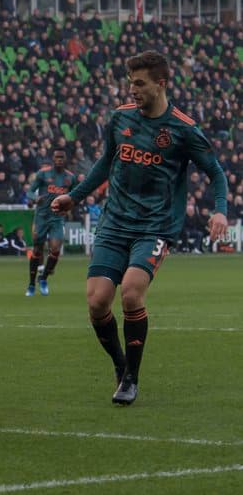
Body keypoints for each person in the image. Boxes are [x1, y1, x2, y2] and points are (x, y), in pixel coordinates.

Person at [52, 51, 228, 406]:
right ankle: (121, 366)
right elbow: (105, 163)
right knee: (97, 301)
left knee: (131, 292)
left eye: (139, 83)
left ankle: (132, 378)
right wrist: (75, 196)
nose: (132, 89)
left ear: (161, 84)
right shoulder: (120, 119)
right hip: (115, 221)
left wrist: (220, 212)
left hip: (156, 226)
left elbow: (217, 173)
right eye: (130, 82)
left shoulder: (184, 128)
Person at [25, 148, 78, 297]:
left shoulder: (70, 178)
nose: (59, 160)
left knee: (55, 249)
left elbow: (76, 196)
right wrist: (34, 199)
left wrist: (69, 208)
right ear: (53, 159)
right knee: (37, 250)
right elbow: (30, 191)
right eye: (57, 157)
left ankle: (43, 279)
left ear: (65, 160)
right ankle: (30, 284)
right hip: (41, 216)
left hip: (56, 218)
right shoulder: (43, 173)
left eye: (62, 157)